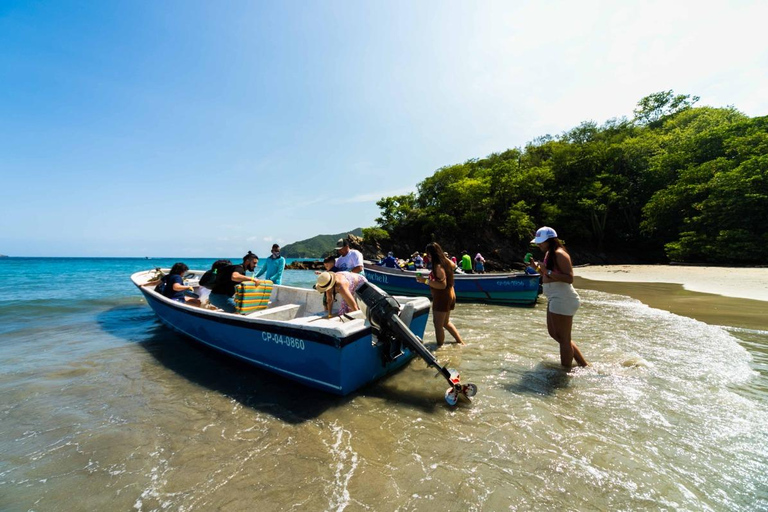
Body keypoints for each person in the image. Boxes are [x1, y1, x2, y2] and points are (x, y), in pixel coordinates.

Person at [529, 226, 589, 368]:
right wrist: (536, 269)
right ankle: (584, 365)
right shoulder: (550, 253)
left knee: (564, 338)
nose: (538, 244)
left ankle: (565, 373)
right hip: (555, 297)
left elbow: (569, 278)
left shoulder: (560, 254)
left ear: (550, 240)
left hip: (563, 297)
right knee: (555, 334)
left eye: (541, 242)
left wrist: (545, 270)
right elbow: (548, 275)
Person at [417, 242, 465, 346]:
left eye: (428, 254)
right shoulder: (445, 262)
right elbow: (454, 266)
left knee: (438, 324)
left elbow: (442, 285)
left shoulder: (437, 266)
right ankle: (460, 342)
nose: (427, 257)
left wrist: (424, 281)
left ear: (432, 254)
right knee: (445, 323)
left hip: (442, 297)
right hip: (451, 294)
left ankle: (439, 348)